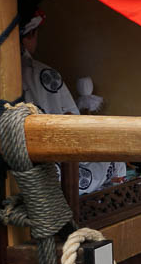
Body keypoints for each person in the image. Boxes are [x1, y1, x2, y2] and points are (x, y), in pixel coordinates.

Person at [19, 11, 126, 194]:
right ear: (30, 35)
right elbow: (73, 125)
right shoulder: (45, 74)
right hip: (51, 174)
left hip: (16, 166)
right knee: (115, 160)